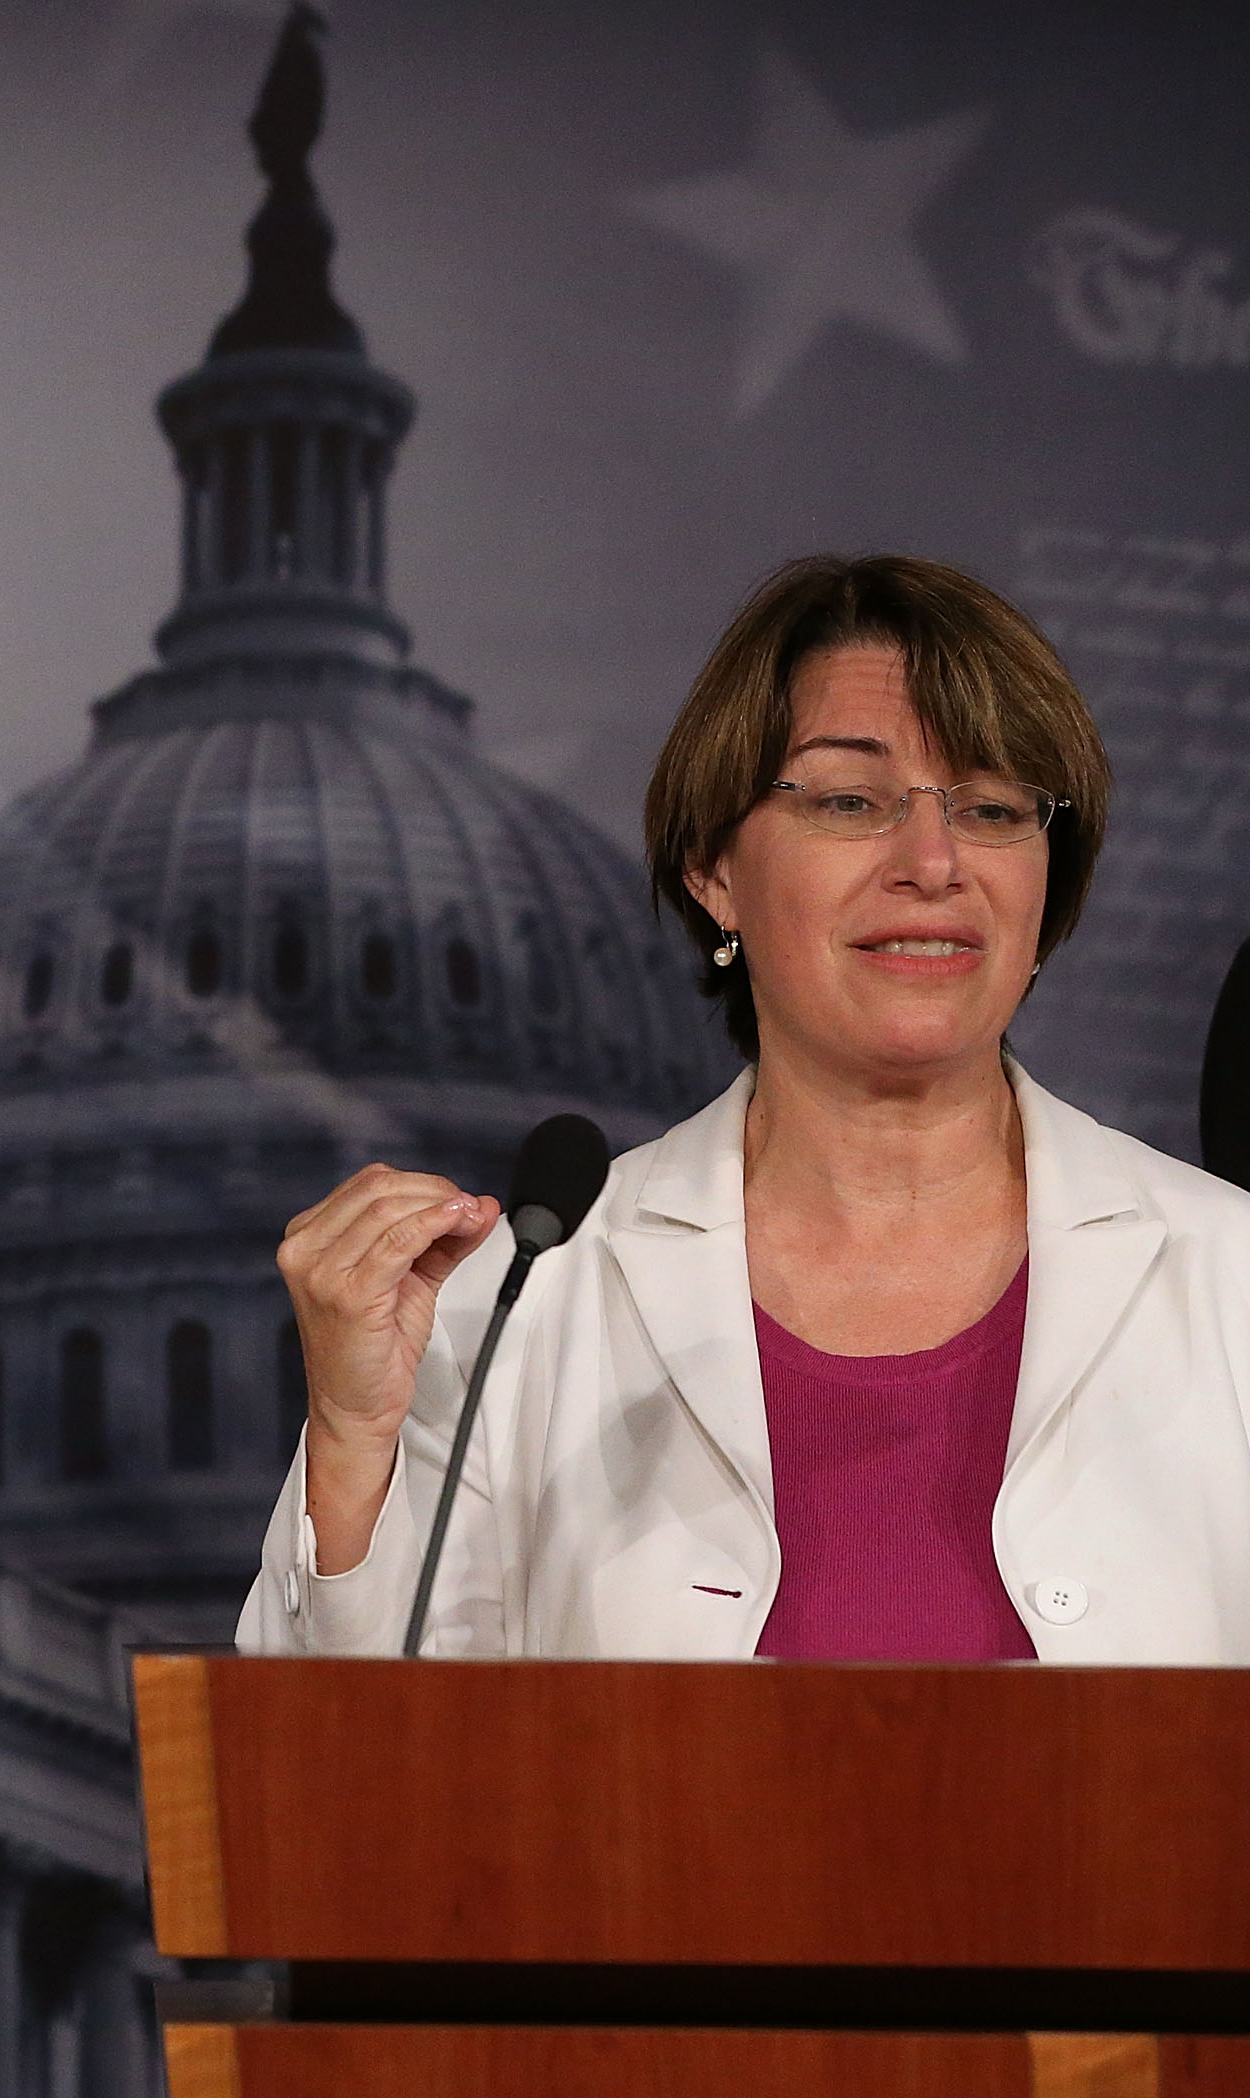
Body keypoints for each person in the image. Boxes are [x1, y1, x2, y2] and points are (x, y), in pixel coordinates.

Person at [243, 553, 1250, 1662]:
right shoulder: (518, 1303)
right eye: (852, 800)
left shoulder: (1228, 1276)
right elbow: (362, 1795)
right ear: (712, 870)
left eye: (994, 804)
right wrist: (350, 1440)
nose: (934, 859)